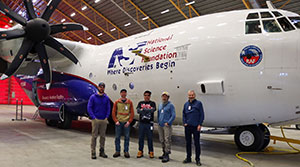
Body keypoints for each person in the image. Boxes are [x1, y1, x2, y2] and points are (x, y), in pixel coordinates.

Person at [87, 82, 111, 159]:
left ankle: (102, 151)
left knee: (103, 136)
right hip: (96, 119)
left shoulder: (106, 98)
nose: (102, 88)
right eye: (100, 87)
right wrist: (93, 117)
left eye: (103, 87)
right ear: (98, 87)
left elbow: (108, 108)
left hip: (103, 119)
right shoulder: (93, 97)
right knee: (94, 136)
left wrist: (107, 117)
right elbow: (89, 107)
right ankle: (93, 152)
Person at [182, 90, 204, 166]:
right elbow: (184, 114)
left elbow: (202, 115)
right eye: (190, 95)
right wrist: (184, 122)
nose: (191, 96)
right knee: (188, 143)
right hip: (187, 127)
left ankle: (197, 159)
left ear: (194, 95)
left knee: (197, 143)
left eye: (192, 95)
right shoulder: (186, 104)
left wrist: (199, 124)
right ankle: (188, 158)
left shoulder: (199, 104)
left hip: (195, 127)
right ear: (188, 96)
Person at [112, 89, 134, 158]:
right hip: (119, 122)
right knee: (117, 137)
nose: (123, 94)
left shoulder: (129, 102)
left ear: (126, 94)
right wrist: (116, 121)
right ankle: (117, 151)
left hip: (126, 123)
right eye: (122, 93)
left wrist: (129, 121)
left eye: (125, 93)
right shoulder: (117, 102)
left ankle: (126, 151)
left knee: (127, 137)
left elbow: (132, 112)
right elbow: (113, 112)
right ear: (120, 94)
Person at [136, 90, 156, 158]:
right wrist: (147, 110)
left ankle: (151, 151)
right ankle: (140, 151)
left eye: (148, 95)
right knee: (140, 138)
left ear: (150, 96)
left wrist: (143, 110)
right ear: (144, 96)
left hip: (149, 124)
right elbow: (138, 111)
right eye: (145, 95)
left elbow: (153, 110)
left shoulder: (152, 103)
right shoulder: (140, 103)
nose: (146, 97)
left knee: (150, 138)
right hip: (142, 123)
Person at [157, 91, 176, 163]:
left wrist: (168, 122)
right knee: (161, 139)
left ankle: (167, 154)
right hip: (160, 125)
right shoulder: (160, 105)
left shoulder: (170, 105)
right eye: (163, 96)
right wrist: (158, 121)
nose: (164, 98)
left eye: (165, 96)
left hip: (166, 125)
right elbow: (158, 113)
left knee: (167, 139)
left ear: (168, 97)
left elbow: (173, 115)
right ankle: (164, 152)